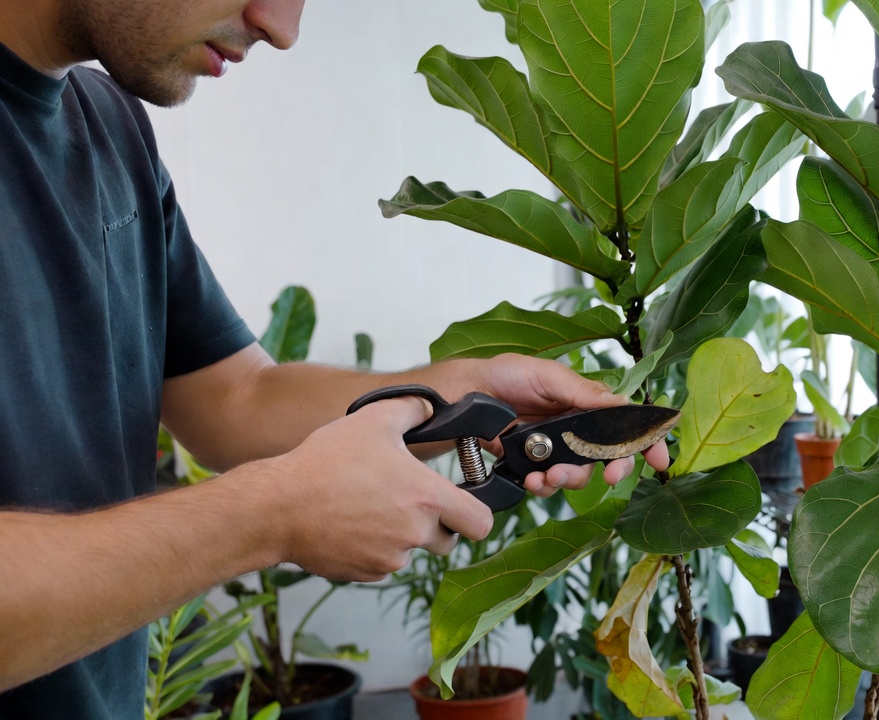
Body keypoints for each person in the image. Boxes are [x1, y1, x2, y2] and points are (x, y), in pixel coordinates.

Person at [0, 0, 669, 716]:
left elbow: (234, 398)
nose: (280, 28)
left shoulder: (108, 124)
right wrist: (271, 517)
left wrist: (456, 392)